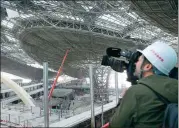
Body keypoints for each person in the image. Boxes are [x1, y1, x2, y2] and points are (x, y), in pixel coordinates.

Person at [109, 41, 178, 128]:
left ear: (147, 66)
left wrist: (122, 99)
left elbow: (115, 125)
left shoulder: (136, 93)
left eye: (139, 60)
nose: (135, 63)